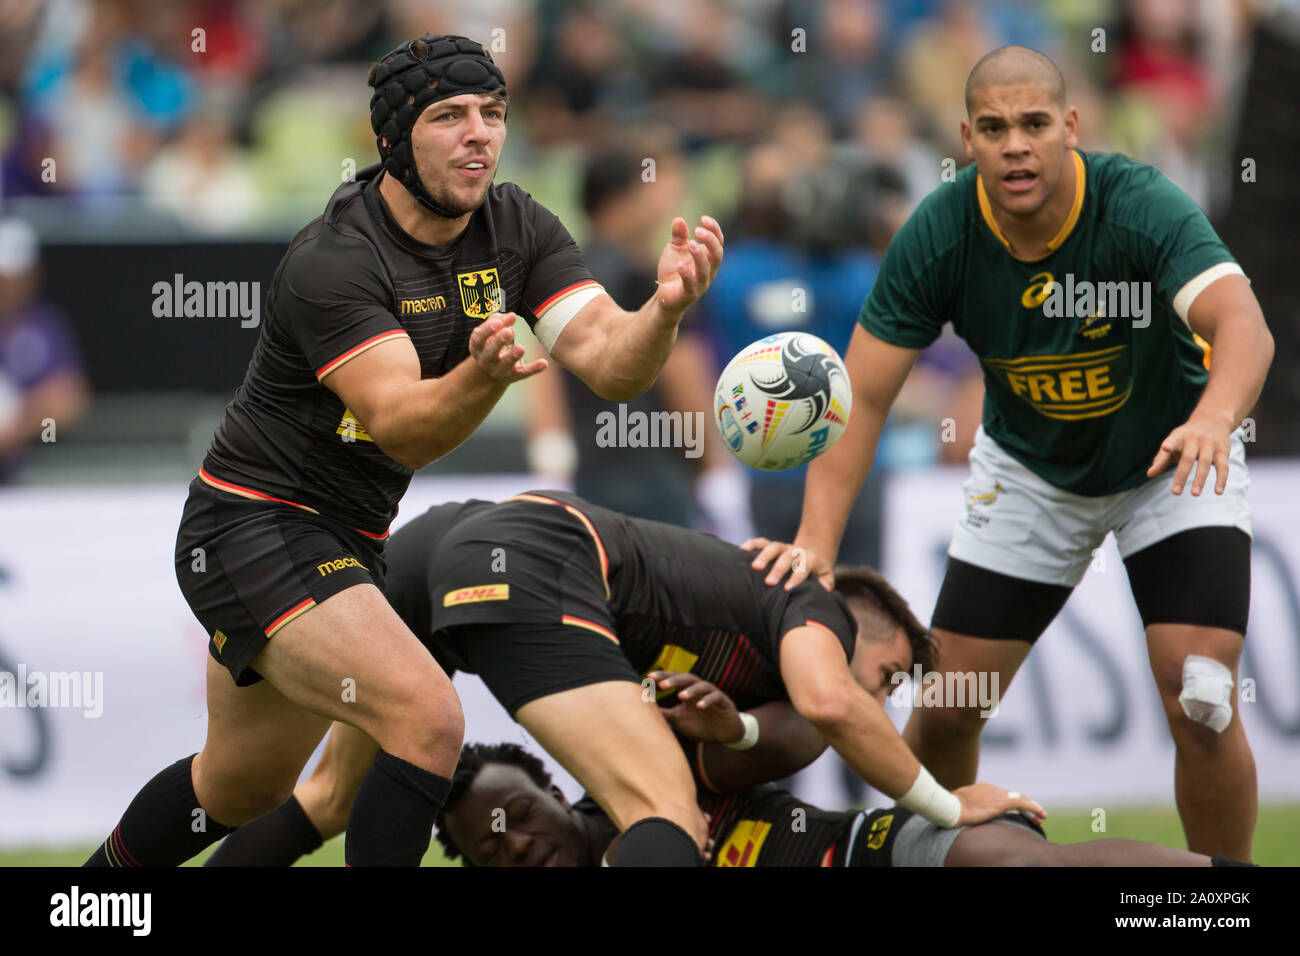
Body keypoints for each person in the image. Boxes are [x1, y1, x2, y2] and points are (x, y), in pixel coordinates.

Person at [85, 33, 724, 868]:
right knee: (426, 718)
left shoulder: (517, 223)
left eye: (492, 114)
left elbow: (607, 362)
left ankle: (82, 905)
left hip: (346, 540)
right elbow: (402, 422)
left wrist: (663, 314)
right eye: (450, 115)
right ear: (394, 138)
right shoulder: (335, 259)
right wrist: (485, 375)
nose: (480, 134)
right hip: (249, 527)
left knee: (238, 791)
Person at [748, 46, 1273, 860]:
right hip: (1031, 474)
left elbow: (1245, 324)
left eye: (1034, 124)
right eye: (993, 129)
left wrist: (1215, 416)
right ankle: (936, 863)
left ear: (1071, 127)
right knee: (951, 704)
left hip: (1172, 459)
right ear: (967, 138)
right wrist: (816, 542)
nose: (1016, 145)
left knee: (1201, 692)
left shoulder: (1139, 207)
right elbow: (864, 396)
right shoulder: (941, 232)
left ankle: (1222, 903)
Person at [206, 491, 1043, 867]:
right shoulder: (810, 605)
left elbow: (790, 735)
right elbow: (830, 703)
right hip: (533, 554)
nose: (879, 700)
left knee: (328, 802)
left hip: (441, 548)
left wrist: (735, 730)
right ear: (852, 616)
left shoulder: (753, 667)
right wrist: (941, 801)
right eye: (889, 674)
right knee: (662, 812)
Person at [0, 217, 89, 483]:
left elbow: (70, 400)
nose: (8, 286)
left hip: (28, 476)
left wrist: (17, 426)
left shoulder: (46, 326)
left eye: (16, 276)